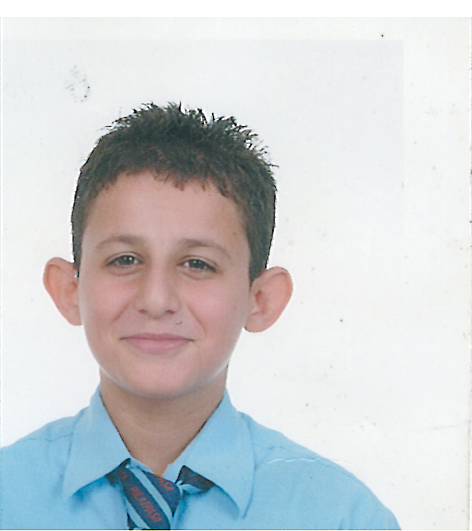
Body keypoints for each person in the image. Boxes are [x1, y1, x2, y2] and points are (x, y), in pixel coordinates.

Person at [0, 103, 400, 530]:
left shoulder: (340, 516)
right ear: (69, 289)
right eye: (125, 259)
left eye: (198, 265)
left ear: (261, 299)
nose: (156, 300)